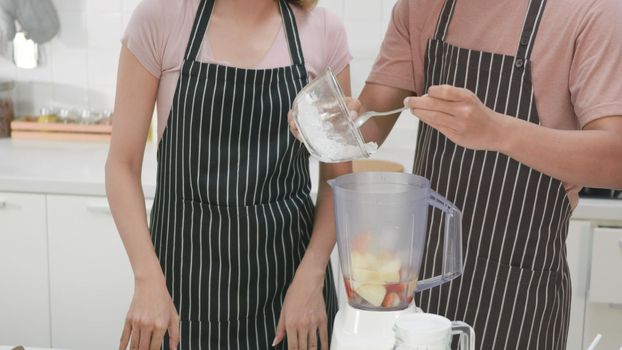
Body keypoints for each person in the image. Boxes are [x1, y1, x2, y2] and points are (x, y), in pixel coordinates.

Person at [291, 0, 622, 348]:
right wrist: (327, 125)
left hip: (522, 298)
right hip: (427, 297)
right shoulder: (422, 7)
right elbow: (365, 129)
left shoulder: (591, 11)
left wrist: (498, 132)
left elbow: (615, 161)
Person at [105, 0, 352, 348]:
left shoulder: (323, 32)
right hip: (179, 293)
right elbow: (122, 164)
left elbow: (337, 179)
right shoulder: (161, 18)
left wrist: (312, 279)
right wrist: (147, 280)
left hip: (292, 296)